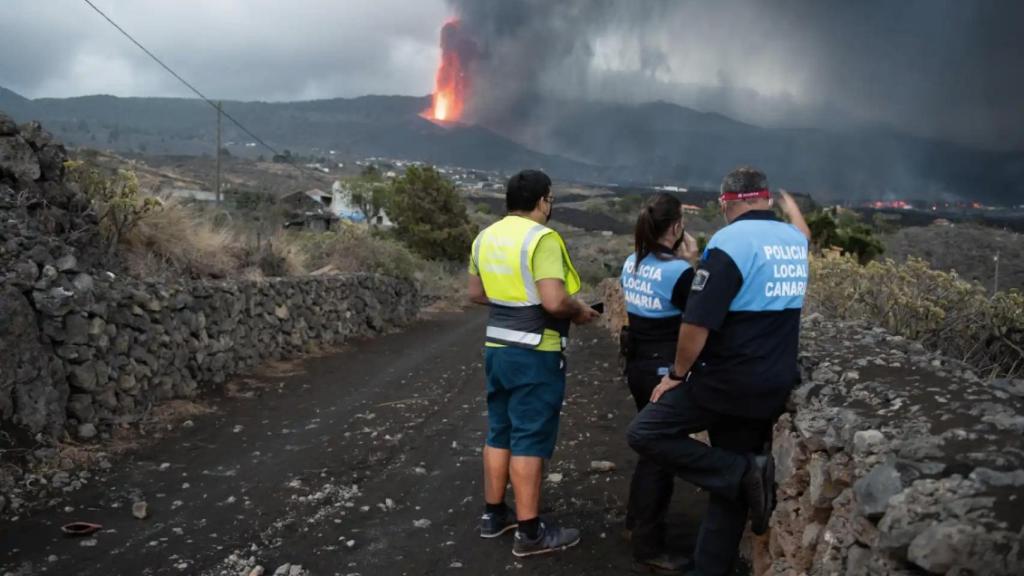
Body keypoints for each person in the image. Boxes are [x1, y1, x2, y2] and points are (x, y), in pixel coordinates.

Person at [627, 166, 811, 576]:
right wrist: (793, 208)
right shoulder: (793, 241)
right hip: (773, 381)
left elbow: (696, 323)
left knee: (645, 432)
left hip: (725, 382)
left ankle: (742, 471)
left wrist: (676, 374)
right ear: (763, 198)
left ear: (728, 202)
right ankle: (711, 560)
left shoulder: (728, 243)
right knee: (730, 495)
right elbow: (805, 236)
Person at [467, 169, 601, 558]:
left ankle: (494, 515)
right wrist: (578, 312)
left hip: (497, 347)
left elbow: (475, 293)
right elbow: (554, 301)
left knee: (500, 429)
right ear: (543, 200)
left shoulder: (485, 236)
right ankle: (530, 533)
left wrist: (510, 306)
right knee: (529, 436)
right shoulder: (542, 238)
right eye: (551, 199)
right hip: (536, 351)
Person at [619, 193, 700, 574]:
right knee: (661, 452)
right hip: (662, 372)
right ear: (677, 227)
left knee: (650, 445)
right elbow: (696, 316)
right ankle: (649, 544)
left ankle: (636, 522)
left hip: (636, 363)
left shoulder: (631, 263)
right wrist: (691, 262)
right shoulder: (679, 272)